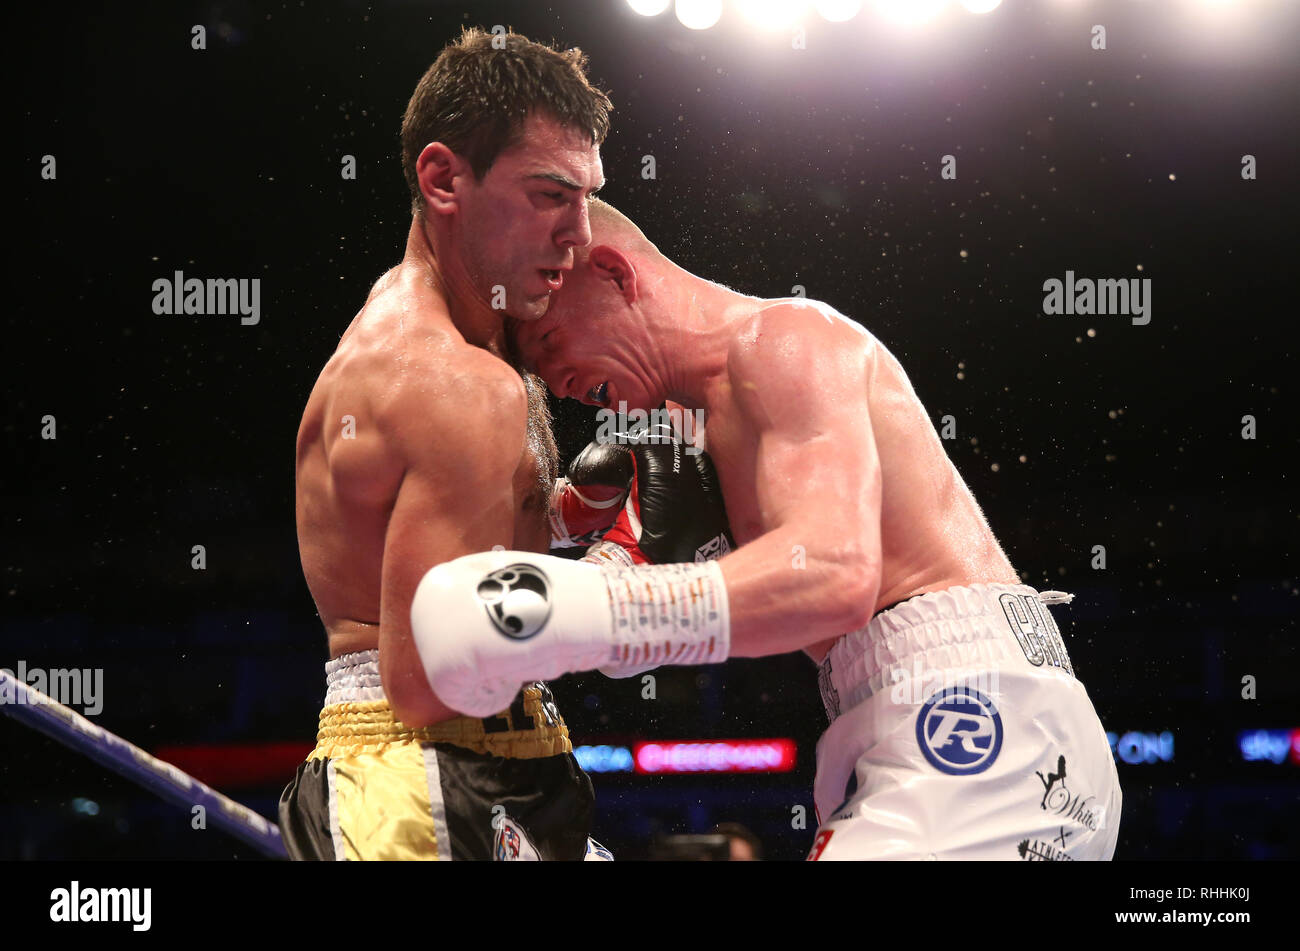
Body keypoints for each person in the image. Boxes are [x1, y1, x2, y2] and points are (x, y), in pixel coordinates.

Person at [409, 199, 1122, 861]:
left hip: (972, 719)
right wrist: (610, 565)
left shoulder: (781, 340)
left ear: (613, 272)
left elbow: (836, 577)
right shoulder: (703, 436)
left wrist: (586, 608)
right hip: (929, 722)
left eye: (548, 338)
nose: (555, 379)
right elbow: (729, 603)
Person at [278, 27, 616, 861]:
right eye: (550, 195)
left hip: (484, 758)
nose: (581, 234)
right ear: (442, 179)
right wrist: (623, 583)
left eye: (588, 195)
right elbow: (429, 676)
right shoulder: (451, 382)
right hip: (423, 773)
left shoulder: (469, 333)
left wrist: (578, 511)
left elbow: (476, 537)